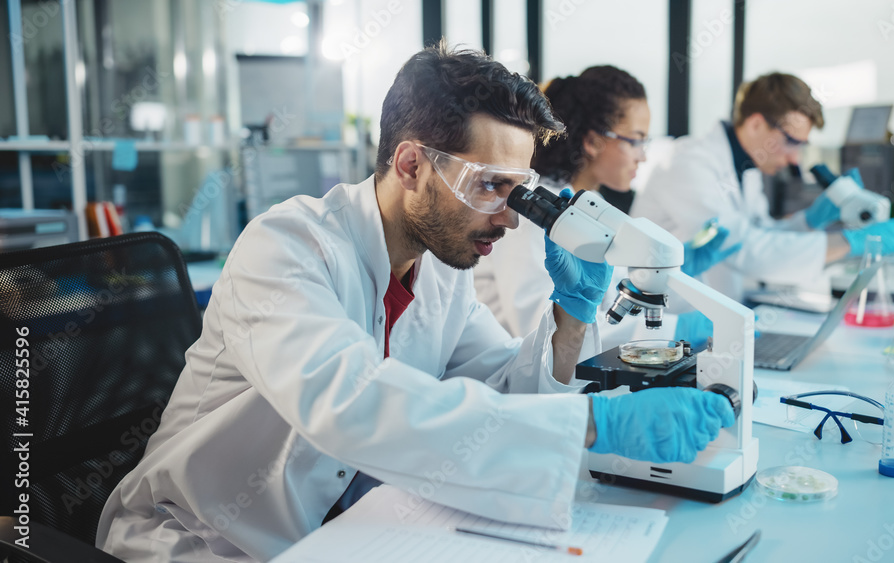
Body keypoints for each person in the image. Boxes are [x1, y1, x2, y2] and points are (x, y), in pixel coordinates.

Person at [96, 45, 734, 562]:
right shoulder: (286, 247)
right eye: (491, 187)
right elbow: (351, 407)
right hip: (206, 544)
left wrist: (573, 311)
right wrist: (596, 425)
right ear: (410, 166)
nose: (510, 219)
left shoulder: (441, 273)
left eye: (518, 192)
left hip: (346, 534)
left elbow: (505, 390)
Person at [475, 65, 741, 346]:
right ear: (593, 142)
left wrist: (664, 276)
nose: (642, 157)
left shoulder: (592, 204)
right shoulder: (534, 213)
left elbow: (612, 305)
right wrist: (674, 330)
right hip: (517, 369)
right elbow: (541, 327)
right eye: (635, 141)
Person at [632, 72, 894, 305]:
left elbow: (762, 234)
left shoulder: (747, 170)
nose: (795, 159)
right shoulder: (688, 164)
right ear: (756, 124)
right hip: (665, 324)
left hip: (720, 315)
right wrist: (852, 242)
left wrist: (808, 222)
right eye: (791, 142)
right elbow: (745, 249)